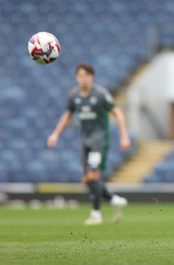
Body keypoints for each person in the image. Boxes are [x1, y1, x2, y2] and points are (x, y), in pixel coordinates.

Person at [47, 63, 131, 225]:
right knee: (87, 179)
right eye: (79, 75)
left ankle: (96, 214)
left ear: (92, 77)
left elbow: (117, 113)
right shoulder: (74, 95)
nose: (82, 79)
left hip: (99, 142)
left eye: (85, 75)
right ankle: (113, 199)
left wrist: (124, 136)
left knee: (93, 176)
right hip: (85, 141)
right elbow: (67, 115)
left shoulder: (100, 94)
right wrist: (55, 134)